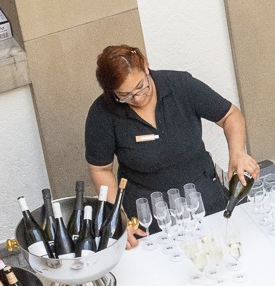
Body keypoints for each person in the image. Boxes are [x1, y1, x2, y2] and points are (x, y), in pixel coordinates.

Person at [83, 44, 256, 223]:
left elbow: (230, 115)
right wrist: (118, 219)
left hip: (202, 193)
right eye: (125, 95)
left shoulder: (180, 85)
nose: (138, 98)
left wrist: (237, 153)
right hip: (149, 210)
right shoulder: (102, 113)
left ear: (145, 66)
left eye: (141, 87)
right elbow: (101, 169)